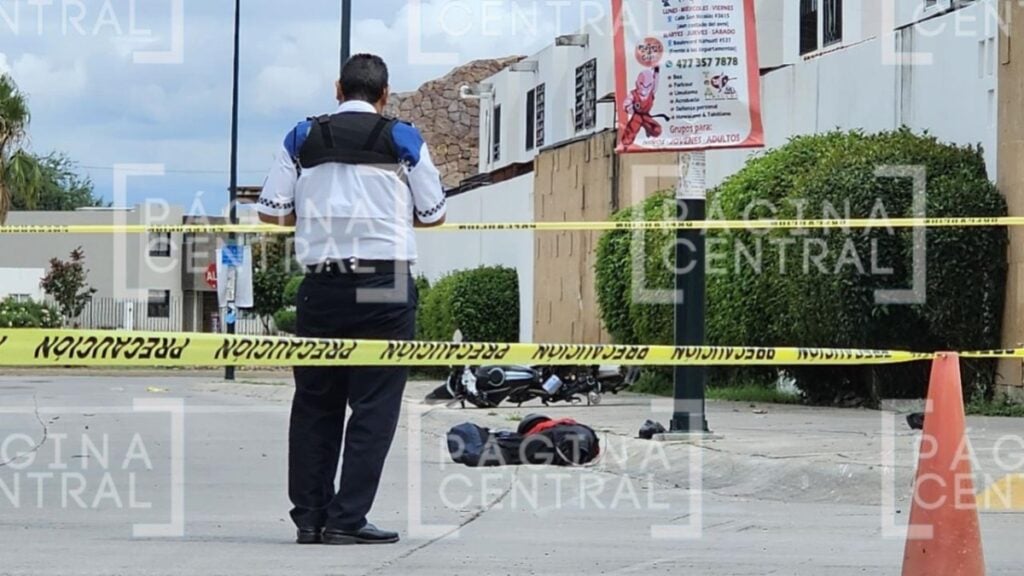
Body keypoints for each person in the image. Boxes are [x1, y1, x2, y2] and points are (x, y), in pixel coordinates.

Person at [256, 53, 447, 546]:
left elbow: (272, 213)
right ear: (385, 96)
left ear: (337, 89)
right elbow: (434, 212)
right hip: (384, 279)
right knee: (374, 405)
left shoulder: (302, 137)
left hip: (323, 280)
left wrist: (317, 216)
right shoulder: (402, 137)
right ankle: (348, 518)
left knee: (316, 402)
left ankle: (309, 518)